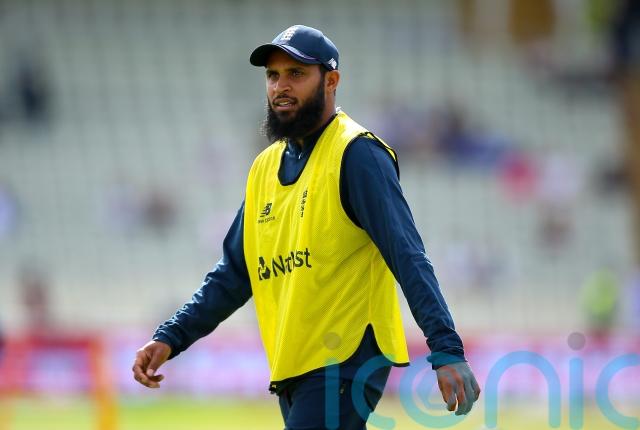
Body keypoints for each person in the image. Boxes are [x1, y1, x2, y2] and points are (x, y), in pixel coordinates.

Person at [132, 25, 480, 429]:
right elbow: (234, 273)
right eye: (273, 75)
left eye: (296, 74)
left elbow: (407, 254)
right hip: (295, 362)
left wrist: (445, 347)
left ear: (331, 81)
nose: (280, 86)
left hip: (346, 358)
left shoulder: (357, 154)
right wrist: (171, 336)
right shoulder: (264, 167)